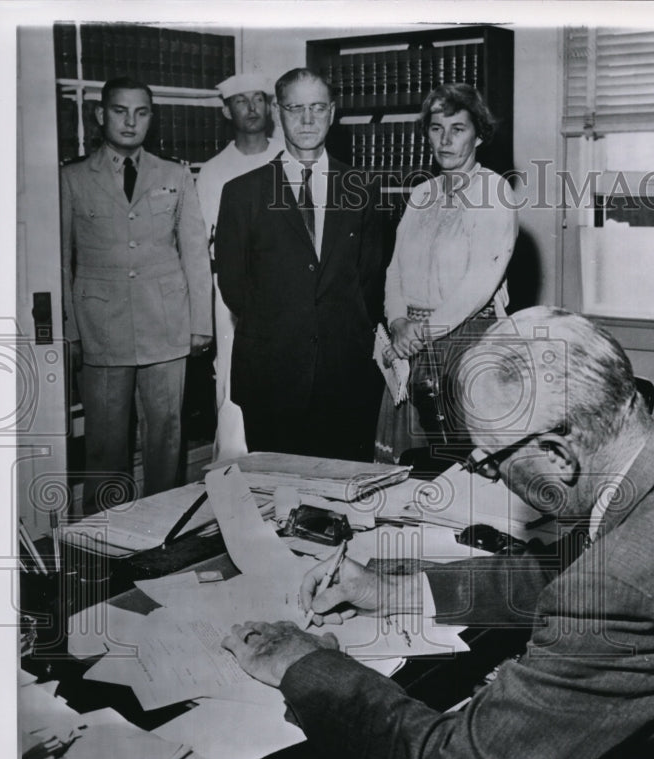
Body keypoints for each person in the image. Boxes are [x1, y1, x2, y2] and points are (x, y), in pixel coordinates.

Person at [223, 307, 654, 759]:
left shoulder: (625, 585)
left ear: (557, 455)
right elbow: (576, 573)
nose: (490, 475)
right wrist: (399, 591)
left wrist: (305, 664)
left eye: (491, 461)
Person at [214, 68, 384, 462]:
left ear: (333, 112)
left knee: (342, 502)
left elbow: (370, 278)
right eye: (295, 108)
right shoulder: (242, 193)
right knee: (277, 502)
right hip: (271, 375)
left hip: (345, 376)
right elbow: (234, 286)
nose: (307, 120)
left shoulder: (362, 188)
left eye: (317, 108)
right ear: (277, 111)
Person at [61, 77, 212, 514]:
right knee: (106, 443)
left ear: (151, 117)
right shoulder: (71, 178)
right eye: (119, 111)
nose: (130, 122)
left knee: (166, 435)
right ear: (99, 114)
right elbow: (60, 261)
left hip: (165, 324)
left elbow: (195, 253)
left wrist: (200, 323)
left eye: (141, 112)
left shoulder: (175, 174)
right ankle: (105, 536)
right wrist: (71, 331)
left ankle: (162, 531)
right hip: (101, 330)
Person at [375, 83, 518, 465]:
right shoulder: (422, 194)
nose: (446, 139)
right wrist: (398, 320)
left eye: (458, 129)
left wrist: (420, 333)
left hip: (465, 344)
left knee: (459, 468)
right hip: (409, 344)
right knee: (407, 469)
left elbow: (476, 286)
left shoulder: (495, 192)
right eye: (437, 129)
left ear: (479, 134)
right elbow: (395, 270)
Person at [196, 72, 284, 461]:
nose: (251, 108)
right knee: (233, 378)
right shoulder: (214, 171)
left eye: (259, 99)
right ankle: (233, 466)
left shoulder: (288, 156)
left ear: (270, 107)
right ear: (226, 110)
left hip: (285, 283)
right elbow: (204, 242)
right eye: (241, 101)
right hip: (232, 288)